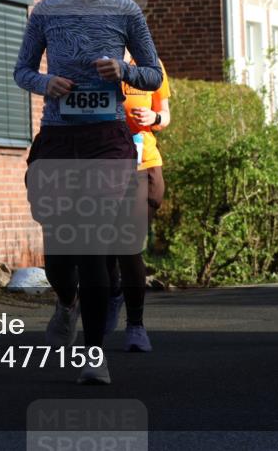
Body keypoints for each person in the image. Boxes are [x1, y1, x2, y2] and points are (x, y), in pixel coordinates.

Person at [15, 0, 162, 384]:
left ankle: (93, 354)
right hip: (58, 138)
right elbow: (21, 71)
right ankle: (65, 300)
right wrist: (45, 82)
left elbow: (154, 74)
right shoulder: (44, 11)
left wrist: (123, 71)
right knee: (60, 254)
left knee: (95, 245)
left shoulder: (126, 11)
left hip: (107, 140)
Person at [105, 52, 170, 352]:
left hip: (143, 164)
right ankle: (114, 290)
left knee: (127, 243)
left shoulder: (151, 64)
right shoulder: (95, 60)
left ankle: (135, 325)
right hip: (103, 165)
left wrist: (153, 118)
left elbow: (164, 115)